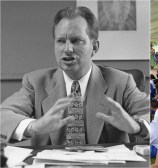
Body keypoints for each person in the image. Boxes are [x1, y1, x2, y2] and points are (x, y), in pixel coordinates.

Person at [0, 6, 149, 145]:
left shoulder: (121, 82)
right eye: (60, 41)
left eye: (76, 40)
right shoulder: (35, 82)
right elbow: (3, 115)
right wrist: (33, 126)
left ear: (94, 47)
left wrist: (137, 127)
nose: (67, 49)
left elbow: (151, 114)